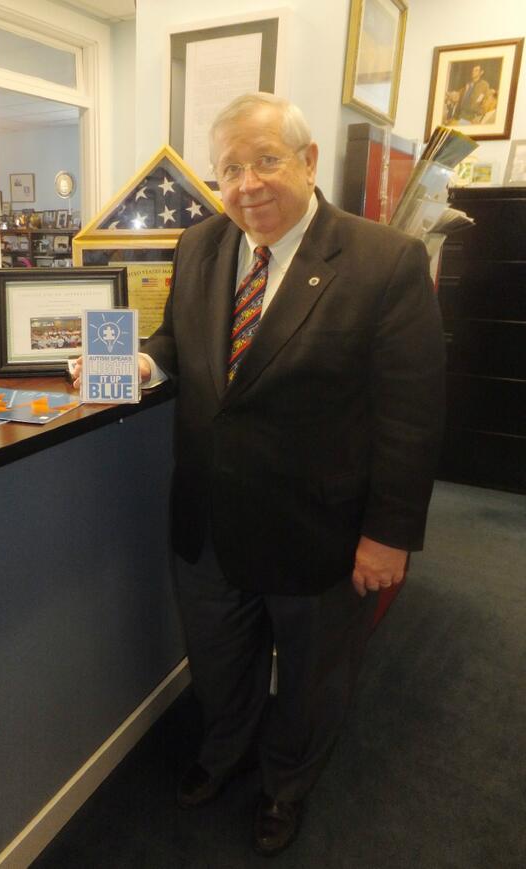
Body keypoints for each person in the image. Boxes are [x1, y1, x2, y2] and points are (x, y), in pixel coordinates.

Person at [73, 93, 445, 857]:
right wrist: (141, 362)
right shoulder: (201, 244)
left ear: (308, 161)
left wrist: (388, 535)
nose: (248, 183)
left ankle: (286, 783)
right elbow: (178, 340)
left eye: (267, 160)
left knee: (311, 679)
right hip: (209, 521)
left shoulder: (384, 260)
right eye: (231, 168)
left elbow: (411, 415)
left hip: (320, 530)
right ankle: (226, 750)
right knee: (218, 662)